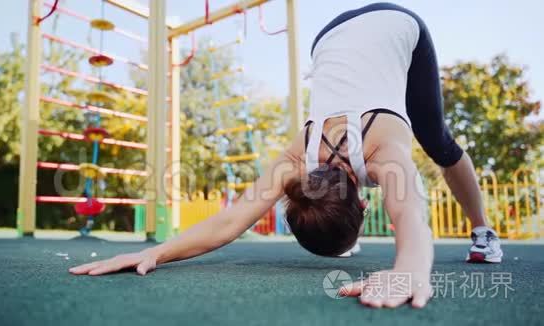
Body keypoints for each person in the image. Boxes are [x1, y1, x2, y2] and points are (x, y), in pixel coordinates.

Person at [70, 2, 503, 309]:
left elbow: (411, 216)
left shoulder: (384, 150)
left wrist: (410, 269)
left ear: (364, 202)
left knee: (437, 141)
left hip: (395, 22)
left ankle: (483, 231)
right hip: (328, 37)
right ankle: (481, 236)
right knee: (437, 144)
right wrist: (155, 253)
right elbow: (230, 221)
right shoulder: (296, 160)